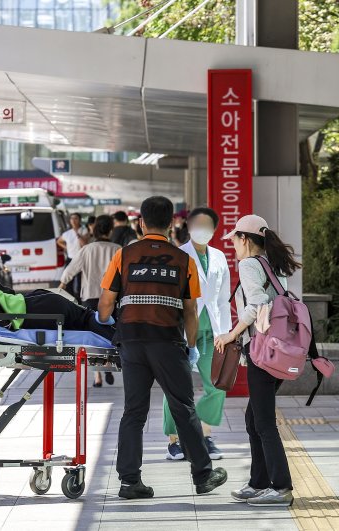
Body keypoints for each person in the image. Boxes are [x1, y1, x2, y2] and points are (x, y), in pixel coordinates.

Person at [97, 196, 227, 500]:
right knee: (183, 407)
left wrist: (106, 319)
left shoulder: (124, 256)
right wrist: (191, 347)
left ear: (141, 223)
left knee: (134, 411)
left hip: (131, 342)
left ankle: (130, 482)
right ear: (171, 225)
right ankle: (203, 476)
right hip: (168, 342)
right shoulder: (184, 261)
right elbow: (191, 310)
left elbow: (105, 304)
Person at [214, 215, 300, 507]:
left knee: (263, 421)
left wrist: (230, 335)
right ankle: (258, 482)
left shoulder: (250, 264)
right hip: (278, 350)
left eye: (235, 240)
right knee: (254, 418)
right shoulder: (272, 265)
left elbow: (256, 305)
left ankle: (281, 487)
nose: (233, 246)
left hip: (262, 353)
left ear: (246, 240)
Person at [162, 207, 231, 461]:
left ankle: (203, 434)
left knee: (217, 386)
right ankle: (174, 440)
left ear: (214, 229)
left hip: (213, 331)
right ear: (189, 227)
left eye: (207, 224)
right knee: (176, 387)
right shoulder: (178, 255)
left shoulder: (220, 257)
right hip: (182, 331)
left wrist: (227, 333)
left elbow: (224, 299)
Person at [59, 215, 121, 387]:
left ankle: (98, 376)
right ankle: (108, 363)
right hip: (112, 299)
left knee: (93, 336)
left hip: (90, 299)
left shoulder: (87, 249)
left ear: (93, 230)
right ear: (111, 230)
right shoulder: (118, 249)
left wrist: (61, 286)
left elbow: (70, 271)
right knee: (110, 333)